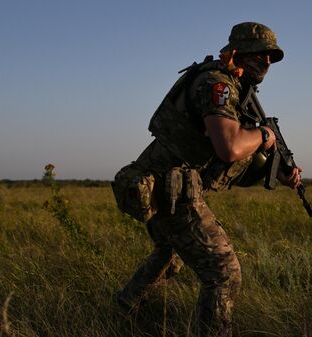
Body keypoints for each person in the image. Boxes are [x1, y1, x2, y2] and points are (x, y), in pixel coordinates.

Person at [112, 22, 302, 337]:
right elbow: (229, 148)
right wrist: (265, 135)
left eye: (272, 56)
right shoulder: (217, 84)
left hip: (167, 184)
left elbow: (226, 164)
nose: (267, 62)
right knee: (224, 273)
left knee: (169, 256)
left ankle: (123, 309)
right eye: (261, 54)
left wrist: (276, 171)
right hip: (171, 188)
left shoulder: (235, 89)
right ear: (239, 52)